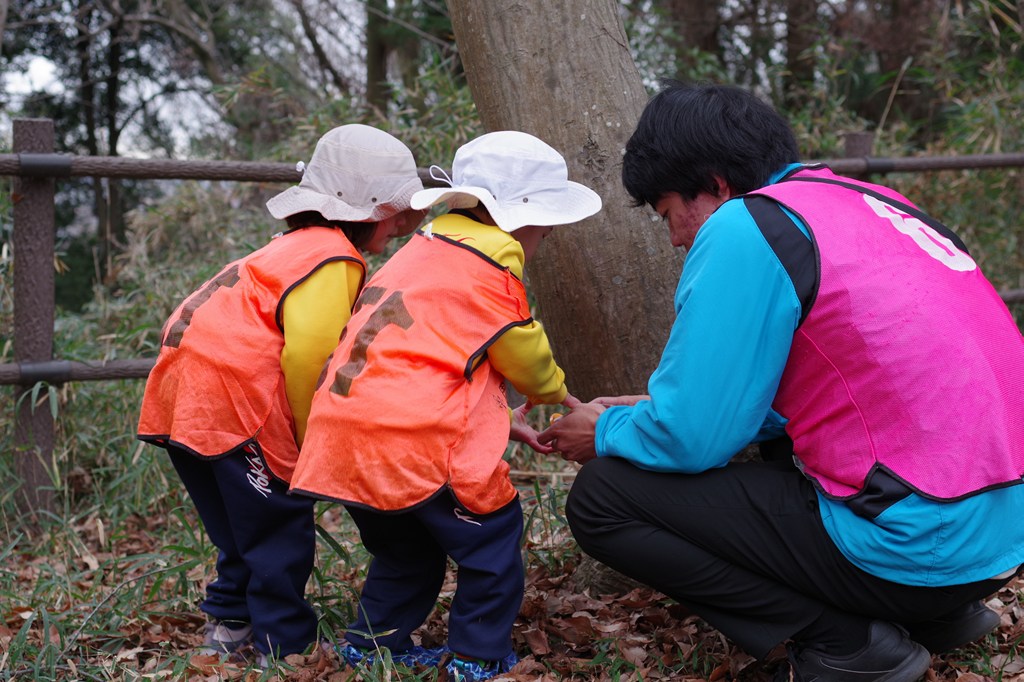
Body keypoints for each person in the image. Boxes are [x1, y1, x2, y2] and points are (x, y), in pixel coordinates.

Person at [538, 81, 1024, 682]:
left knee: (603, 498)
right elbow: (859, 379)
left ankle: (846, 644)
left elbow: (693, 438)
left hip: (915, 548)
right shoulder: (872, 202)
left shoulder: (747, 225)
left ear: (715, 184)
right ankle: (941, 619)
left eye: (670, 213)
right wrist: (655, 406)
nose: (676, 238)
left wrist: (606, 430)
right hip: (1002, 538)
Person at [289, 130, 601, 681]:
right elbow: (522, 349)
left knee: (407, 551)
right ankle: (478, 657)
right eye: (545, 226)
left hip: (343, 435)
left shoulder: (422, 252)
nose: (546, 235)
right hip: (414, 442)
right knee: (492, 541)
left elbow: (423, 363)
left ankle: (371, 644)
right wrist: (555, 392)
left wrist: (499, 421)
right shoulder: (492, 265)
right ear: (514, 219)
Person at [137, 124, 425, 666]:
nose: (402, 225)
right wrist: (306, 433)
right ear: (369, 210)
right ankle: (284, 643)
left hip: (184, 397)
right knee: (276, 528)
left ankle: (229, 618)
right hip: (237, 406)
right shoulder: (335, 259)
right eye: (397, 213)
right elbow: (309, 354)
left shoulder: (286, 247)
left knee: (239, 525)